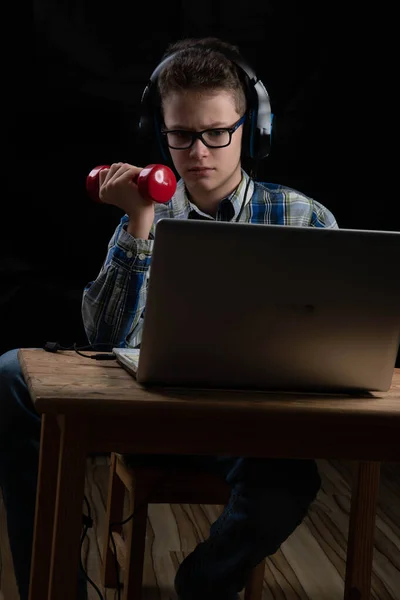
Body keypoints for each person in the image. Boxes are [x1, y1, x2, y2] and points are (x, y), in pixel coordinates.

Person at [0, 37, 338, 600]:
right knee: (11, 373)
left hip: (251, 423)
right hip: (151, 415)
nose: (198, 151)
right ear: (160, 135)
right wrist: (139, 225)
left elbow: (333, 334)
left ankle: (202, 583)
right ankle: (53, 589)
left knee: (286, 480)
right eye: (181, 135)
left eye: (216, 133)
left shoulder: (305, 218)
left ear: (251, 131)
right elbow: (104, 339)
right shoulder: (145, 215)